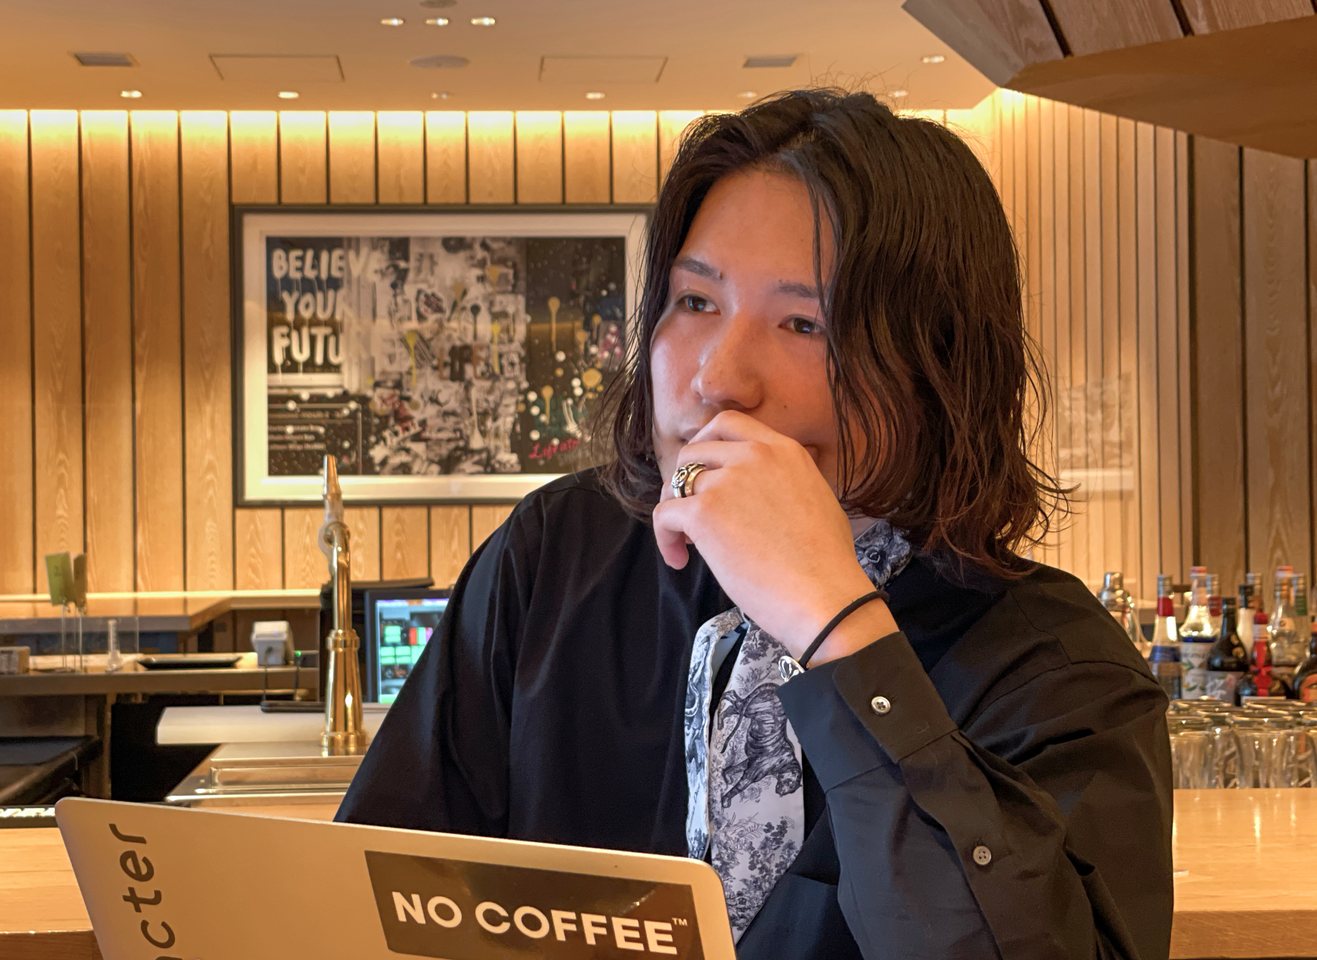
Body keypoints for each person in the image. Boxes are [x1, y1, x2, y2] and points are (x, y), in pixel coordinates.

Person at [337, 89, 1173, 959]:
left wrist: (839, 629)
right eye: (696, 302)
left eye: (804, 323)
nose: (719, 379)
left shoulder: (1057, 671)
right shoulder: (555, 555)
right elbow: (369, 898)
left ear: (939, 366)